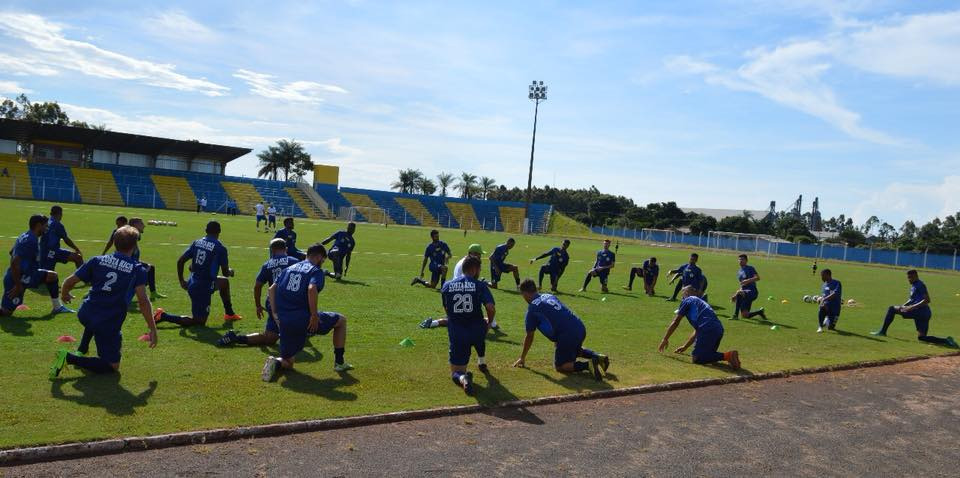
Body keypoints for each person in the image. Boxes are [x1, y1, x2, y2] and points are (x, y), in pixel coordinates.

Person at [49, 226, 158, 377]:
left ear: (114, 242)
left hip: (86, 313)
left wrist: (65, 293)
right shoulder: (137, 269)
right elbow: (143, 302)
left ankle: (82, 348)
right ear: (134, 246)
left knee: (96, 322)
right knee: (112, 366)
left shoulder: (97, 260)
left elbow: (69, 281)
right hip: (107, 321)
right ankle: (68, 357)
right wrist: (152, 328)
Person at [261, 243, 352, 381]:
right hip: (304, 319)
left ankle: (276, 362)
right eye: (323, 260)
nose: (322, 263)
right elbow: (311, 289)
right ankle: (339, 363)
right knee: (341, 321)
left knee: (289, 361)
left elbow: (271, 289)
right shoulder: (315, 271)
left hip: (284, 320)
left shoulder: (289, 268)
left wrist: (274, 313)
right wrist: (314, 316)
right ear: (319, 257)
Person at [514, 279, 609, 380]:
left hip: (567, 335)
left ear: (525, 293)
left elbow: (529, 336)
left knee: (560, 366)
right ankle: (598, 357)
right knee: (571, 348)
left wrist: (522, 357)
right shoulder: (548, 295)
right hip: (579, 327)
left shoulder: (532, 310)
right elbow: (559, 315)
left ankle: (587, 365)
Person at [153, 221, 240, 327]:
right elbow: (225, 272)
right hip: (202, 287)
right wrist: (231, 271)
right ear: (219, 231)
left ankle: (229, 314)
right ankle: (163, 316)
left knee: (224, 283)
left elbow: (181, 261)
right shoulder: (220, 248)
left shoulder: (197, 242)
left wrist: (182, 280)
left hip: (193, 281)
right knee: (199, 322)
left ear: (205, 231)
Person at [218, 238, 301, 347]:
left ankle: (236, 338)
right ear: (285, 249)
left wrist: (258, 306)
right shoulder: (295, 262)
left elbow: (257, 286)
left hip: (273, 302)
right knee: (294, 332)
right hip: (289, 304)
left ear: (272, 250)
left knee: (269, 339)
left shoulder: (267, 265)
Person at [441, 256, 495, 394]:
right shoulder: (480, 285)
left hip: (458, 332)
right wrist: (489, 322)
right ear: (475, 269)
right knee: (480, 334)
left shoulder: (447, 285)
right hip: (477, 330)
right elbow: (490, 307)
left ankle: (463, 377)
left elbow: (447, 309)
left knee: (456, 372)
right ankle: (481, 361)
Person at [1, 215, 73, 316]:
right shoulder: (31, 240)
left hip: (28, 275)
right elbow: (14, 262)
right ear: (38, 225)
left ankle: (57, 307)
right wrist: (18, 285)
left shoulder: (26, 235)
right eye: (45, 226)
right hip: (17, 278)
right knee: (5, 312)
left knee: (52, 276)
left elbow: (11, 252)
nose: (47, 228)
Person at [659, 286, 741, 368]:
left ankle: (728, 355)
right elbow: (697, 331)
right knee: (708, 355)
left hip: (707, 329)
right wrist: (685, 346)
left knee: (697, 358)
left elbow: (676, 322)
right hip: (718, 329)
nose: (681, 298)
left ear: (686, 293)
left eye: (682, 295)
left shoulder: (687, 300)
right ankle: (729, 358)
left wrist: (665, 339)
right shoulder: (700, 303)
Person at [420, 244, 499, 329]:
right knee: (477, 318)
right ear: (472, 253)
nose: (480, 256)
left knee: (457, 319)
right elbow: (467, 280)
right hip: (463, 292)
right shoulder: (468, 264)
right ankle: (490, 323)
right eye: (478, 254)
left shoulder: (465, 261)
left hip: (454, 293)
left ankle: (433, 323)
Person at [870, 270, 957, 347]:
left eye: (910, 277)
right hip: (924, 313)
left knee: (892, 309)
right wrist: (903, 305)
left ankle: (882, 332)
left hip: (920, 311)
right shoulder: (914, 285)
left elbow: (927, 300)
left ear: (916, 276)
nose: (909, 279)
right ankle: (946, 340)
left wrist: (911, 307)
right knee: (922, 338)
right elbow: (912, 299)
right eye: (908, 277)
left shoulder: (920, 285)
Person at [40, 205, 83, 271]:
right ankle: (84, 278)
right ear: (59, 214)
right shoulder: (57, 224)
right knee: (78, 258)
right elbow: (66, 239)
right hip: (52, 252)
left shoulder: (46, 222)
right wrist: (76, 249)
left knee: (78, 258)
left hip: (43, 251)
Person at [731, 254, 766, 320]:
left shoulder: (750, 268)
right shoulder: (739, 272)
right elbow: (742, 285)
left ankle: (735, 315)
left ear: (746, 261)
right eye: (739, 259)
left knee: (740, 293)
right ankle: (760, 312)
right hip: (745, 294)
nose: (740, 261)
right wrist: (735, 295)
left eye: (742, 259)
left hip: (752, 292)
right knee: (745, 315)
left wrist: (747, 280)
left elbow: (757, 278)